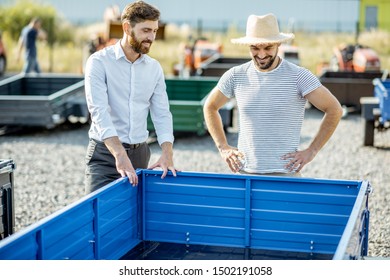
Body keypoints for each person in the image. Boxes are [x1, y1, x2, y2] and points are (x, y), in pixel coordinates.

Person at [203, 14, 343, 176]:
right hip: (244, 173)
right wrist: (223, 147)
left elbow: (334, 109)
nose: (261, 55)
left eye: (268, 47)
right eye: (255, 48)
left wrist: (312, 151)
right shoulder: (235, 75)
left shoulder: (299, 76)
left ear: (278, 44)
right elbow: (210, 106)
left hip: (285, 174)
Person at [84, 1, 177, 193]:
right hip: (105, 156)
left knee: (132, 219)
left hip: (140, 155)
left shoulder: (154, 68)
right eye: (146, 30)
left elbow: (162, 113)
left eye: (154, 31)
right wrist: (119, 153)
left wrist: (167, 153)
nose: (151, 37)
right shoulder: (99, 62)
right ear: (127, 28)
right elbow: (99, 112)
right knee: (96, 216)